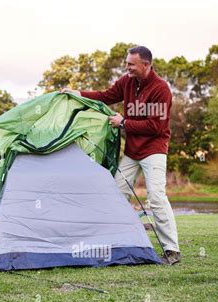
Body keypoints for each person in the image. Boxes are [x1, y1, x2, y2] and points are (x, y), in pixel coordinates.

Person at [61, 46, 180, 264]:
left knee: (156, 197)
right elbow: (106, 96)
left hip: (154, 150)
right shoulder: (127, 82)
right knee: (116, 192)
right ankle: (119, 240)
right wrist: (78, 94)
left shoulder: (160, 89)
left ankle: (172, 250)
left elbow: (155, 126)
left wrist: (123, 122)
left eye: (131, 64)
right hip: (132, 151)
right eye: (127, 63)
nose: (127, 68)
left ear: (146, 65)